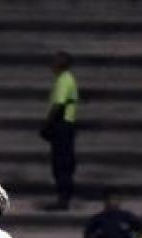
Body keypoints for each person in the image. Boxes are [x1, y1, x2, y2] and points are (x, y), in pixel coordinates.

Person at [40, 51, 79, 211]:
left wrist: (47, 124)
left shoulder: (64, 80)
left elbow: (59, 105)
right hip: (66, 124)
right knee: (63, 162)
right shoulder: (65, 79)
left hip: (63, 125)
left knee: (61, 163)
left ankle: (63, 199)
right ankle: (63, 197)